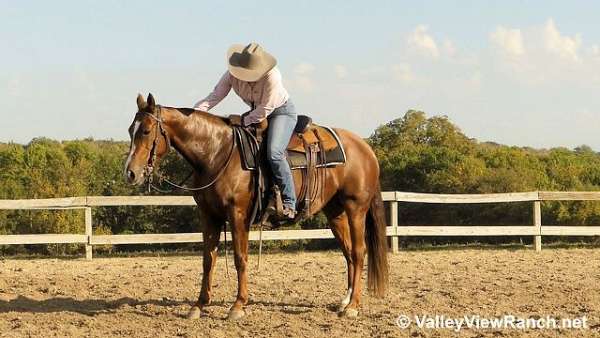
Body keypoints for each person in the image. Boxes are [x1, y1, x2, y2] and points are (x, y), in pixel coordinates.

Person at [193, 42, 298, 219]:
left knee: (274, 153)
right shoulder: (232, 74)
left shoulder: (273, 76)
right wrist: (194, 114)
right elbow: (215, 96)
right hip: (255, 112)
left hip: (280, 112)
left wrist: (243, 120)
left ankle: (289, 201)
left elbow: (266, 108)